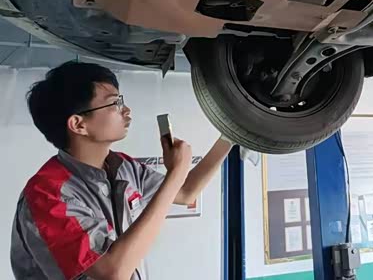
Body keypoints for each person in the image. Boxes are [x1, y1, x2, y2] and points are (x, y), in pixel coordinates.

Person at [10, 61, 234, 280]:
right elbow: (112, 272)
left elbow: (186, 192)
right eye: (114, 103)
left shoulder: (122, 166)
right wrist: (175, 173)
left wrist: (233, 131)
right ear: (78, 124)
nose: (126, 110)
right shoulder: (47, 194)